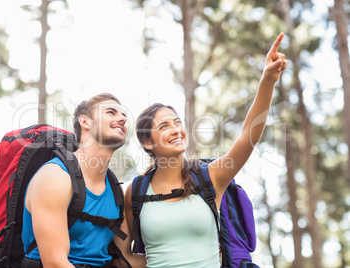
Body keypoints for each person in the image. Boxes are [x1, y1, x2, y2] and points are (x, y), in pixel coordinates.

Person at [114, 33, 288, 268]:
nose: (176, 130)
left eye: (177, 122)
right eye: (164, 126)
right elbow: (121, 256)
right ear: (148, 143)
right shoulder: (135, 191)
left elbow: (249, 135)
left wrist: (267, 81)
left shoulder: (211, 176)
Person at [21, 93, 129, 268]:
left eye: (123, 115)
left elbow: (122, 260)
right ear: (85, 122)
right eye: (111, 112)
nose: (123, 119)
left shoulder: (116, 191)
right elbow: (55, 263)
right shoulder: (54, 177)